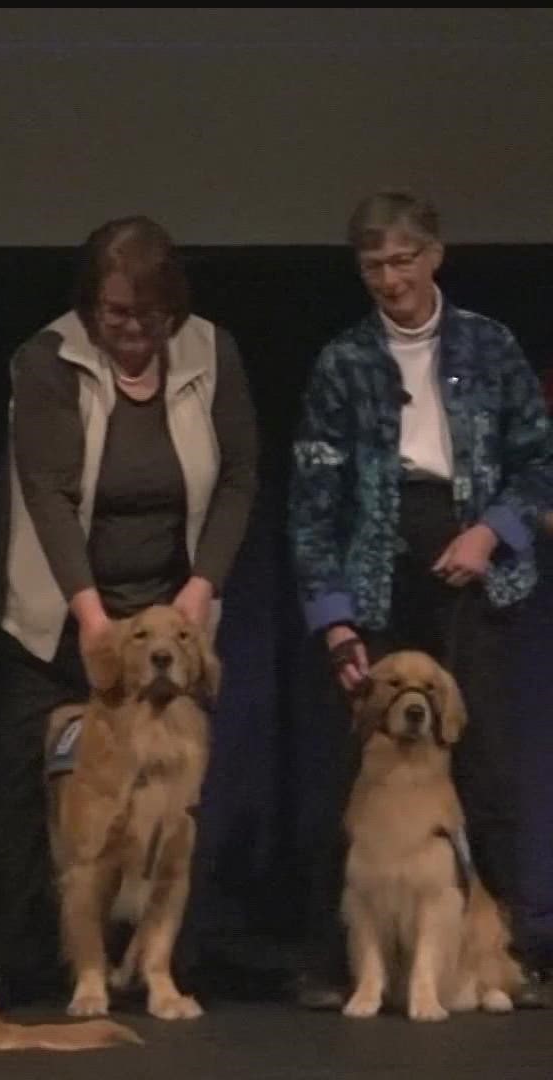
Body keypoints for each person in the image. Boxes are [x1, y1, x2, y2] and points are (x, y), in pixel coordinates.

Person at [0, 216, 257, 1005]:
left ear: (173, 310)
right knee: (34, 801)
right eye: (115, 316)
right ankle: (19, 965)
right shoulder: (48, 357)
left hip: (169, 618)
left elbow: (236, 481)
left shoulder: (212, 352)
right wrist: (92, 620)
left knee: (166, 805)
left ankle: (154, 962)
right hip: (64, 616)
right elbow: (49, 497)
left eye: (148, 317)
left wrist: (199, 594)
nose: (131, 332)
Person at [288, 189, 553, 1009]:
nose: (391, 280)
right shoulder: (342, 362)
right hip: (377, 565)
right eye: (373, 266)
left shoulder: (490, 344)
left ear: (435, 257)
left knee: (485, 763)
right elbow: (313, 503)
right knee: (360, 766)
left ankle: (502, 955)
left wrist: (492, 532)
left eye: (403, 261)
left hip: (470, 558)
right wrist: (334, 621)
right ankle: (350, 963)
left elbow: (538, 461)